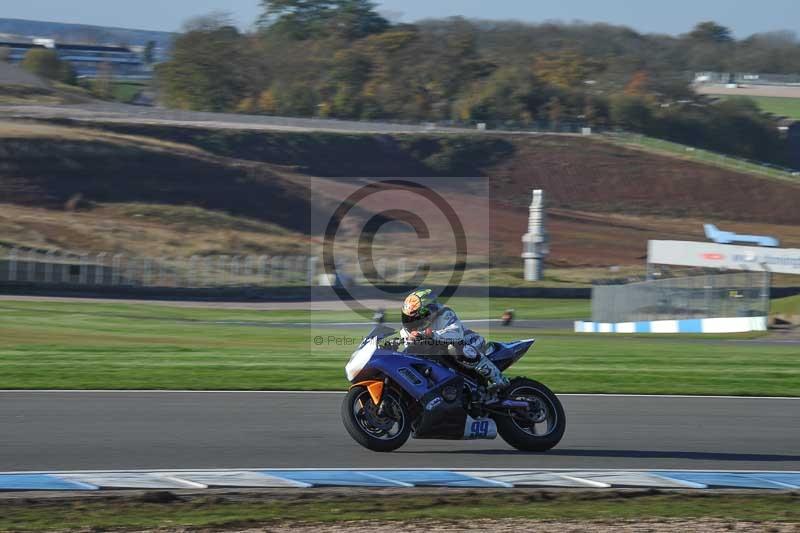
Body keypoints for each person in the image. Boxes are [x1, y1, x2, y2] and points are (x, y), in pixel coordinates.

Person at [400, 289, 508, 390]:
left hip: (471, 342)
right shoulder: (406, 331)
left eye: (414, 318)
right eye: (407, 318)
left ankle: (499, 379)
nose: (410, 322)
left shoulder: (445, 314)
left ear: (428, 313)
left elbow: (456, 334)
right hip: (441, 352)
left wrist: (430, 335)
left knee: (457, 348)